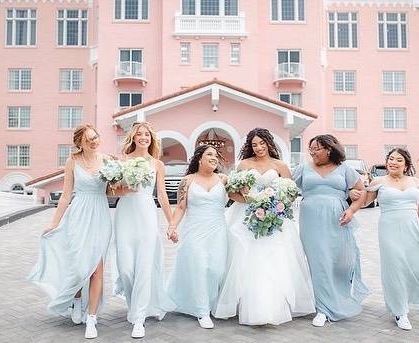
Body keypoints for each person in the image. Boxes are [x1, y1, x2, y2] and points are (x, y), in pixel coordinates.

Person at [214, 128, 315, 325]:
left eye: (262, 143)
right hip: (246, 216)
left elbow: (291, 193)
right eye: (254, 144)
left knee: (275, 261)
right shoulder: (244, 164)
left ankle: (273, 307)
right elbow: (232, 193)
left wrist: (274, 205)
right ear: (249, 147)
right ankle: (244, 305)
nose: (259, 148)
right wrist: (252, 201)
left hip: (274, 218)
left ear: (269, 143)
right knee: (245, 260)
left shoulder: (281, 165)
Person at [28, 124, 112, 339]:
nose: (93, 141)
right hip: (78, 215)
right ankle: (76, 299)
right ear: (79, 143)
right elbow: (66, 195)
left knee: (96, 269)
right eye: (88, 140)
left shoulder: (108, 160)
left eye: (95, 137)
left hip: (100, 216)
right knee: (78, 264)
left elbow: (114, 190)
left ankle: (92, 318)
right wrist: (54, 223)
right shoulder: (72, 162)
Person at [293, 134, 369, 327]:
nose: (312, 152)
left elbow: (362, 193)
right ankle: (322, 309)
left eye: (316, 148)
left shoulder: (345, 169)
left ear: (329, 149)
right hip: (310, 221)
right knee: (318, 262)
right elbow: (288, 189)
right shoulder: (303, 168)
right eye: (311, 148)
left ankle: (339, 297)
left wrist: (351, 210)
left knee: (339, 261)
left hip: (338, 220)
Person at [351, 148, 419, 331]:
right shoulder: (379, 181)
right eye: (391, 159)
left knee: (414, 268)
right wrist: (355, 194)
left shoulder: (415, 182)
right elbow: (365, 202)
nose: (393, 162)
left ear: (406, 165)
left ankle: (406, 299)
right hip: (389, 231)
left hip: (413, 231)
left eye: (398, 160)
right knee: (394, 268)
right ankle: (400, 311)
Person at [113, 122, 175, 338]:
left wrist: (171, 222)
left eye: (146, 134)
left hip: (147, 214)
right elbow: (114, 191)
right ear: (133, 138)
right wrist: (126, 188)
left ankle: (138, 318)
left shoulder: (157, 164)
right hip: (125, 215)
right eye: (139, 134)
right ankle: (134, 306)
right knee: (126, 269)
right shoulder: (123, 162)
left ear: (151, 138)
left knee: (145, 266)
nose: (143, 137)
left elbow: (163, 195)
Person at [166, 145, 228, 329]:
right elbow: (180, 207)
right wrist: (172, 226)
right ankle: (202, 311)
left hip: (218, 230)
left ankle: (212, 303)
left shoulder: (224, 179)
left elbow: (239, 197)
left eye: (216, 155)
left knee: (216, 270)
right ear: (199, 159)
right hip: (194, 231)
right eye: (209, 154)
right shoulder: (187, 180)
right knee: (199, 267)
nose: (214, 158)